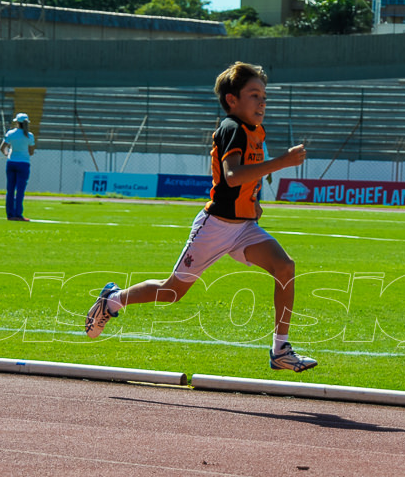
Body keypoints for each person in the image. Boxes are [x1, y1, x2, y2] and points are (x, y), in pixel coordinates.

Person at [84, 61, 317, 372]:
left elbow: (243, 179)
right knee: (171, 292)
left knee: (285, 266)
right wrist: (283, 162)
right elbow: (232, 176)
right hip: (216, 227)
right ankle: (112, 299)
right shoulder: (231, 128)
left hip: (244, 227)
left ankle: (280, 349)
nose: (262, 101)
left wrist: (253, 201)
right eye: (253, 94)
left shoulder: (256, 131)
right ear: (232, 100)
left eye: (264, 95)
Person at [0, 113, 35, 221]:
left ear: (16, 122)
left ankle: (10, 214)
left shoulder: (10, 133)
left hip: (11, 162)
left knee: (10, 190)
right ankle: (18, 214)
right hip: (23, 163)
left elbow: (2, 148)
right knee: (20, 190)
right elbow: (31, 151)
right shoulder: (29, 135)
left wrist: (7, 154)